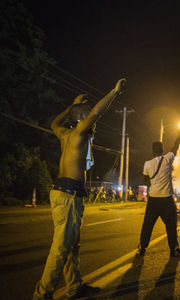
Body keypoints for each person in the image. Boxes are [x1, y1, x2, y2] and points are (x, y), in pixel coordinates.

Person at [33, 78, 126, 300]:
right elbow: (95, 113)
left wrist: (71, 106)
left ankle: (74, 287)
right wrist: (114, 91)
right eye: (89, 119)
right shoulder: (79, 133)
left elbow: (54, 124)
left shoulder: (64, 134)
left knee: (72, 246)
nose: (95, 124)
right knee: (60, 249)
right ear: (83, 120)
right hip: (68, 196)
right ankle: (41, 295)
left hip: (63, 193)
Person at [137, 129, 180, 257]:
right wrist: (179, 135)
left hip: (153, 200)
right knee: (171, 227)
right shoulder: (168, 159)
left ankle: (142, 248)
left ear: (152, 151)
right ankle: (174, 250)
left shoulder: (147, 164)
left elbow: (146, 178)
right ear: (163, 150)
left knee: (147, 225)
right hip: (166, 200)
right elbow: (175, 147)